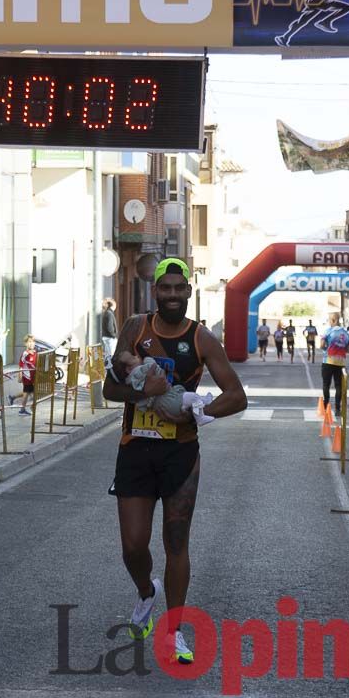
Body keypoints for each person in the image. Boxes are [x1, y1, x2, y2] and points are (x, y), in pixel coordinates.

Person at [102, 258, 247, 665]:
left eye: (177, 289)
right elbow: (109, 390)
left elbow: (237, 396)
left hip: (180, 452)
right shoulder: (135, 328)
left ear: (188, 292)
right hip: (135, 448)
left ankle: (173, 631)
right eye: (164, 288)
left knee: (177, 541)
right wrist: (142, 392)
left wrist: (197, 411)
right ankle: (147, 591)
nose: (170, 295)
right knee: (133, 545)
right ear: (156, 292)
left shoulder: (201, 339)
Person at [319, 321, 349, 416]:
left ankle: (326, 406)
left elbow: (321, 345)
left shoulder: (329, 331)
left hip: (328, 361)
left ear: (333, 321)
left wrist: (326, 349)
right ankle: (337, 408)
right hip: (340, 363)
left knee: (326, 384)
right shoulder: (346, 334)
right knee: (339, 386)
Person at [18, 334, 37, 416]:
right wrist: (20, 376)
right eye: (29, 342)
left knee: (31, 393)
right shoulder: (25, 353)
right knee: (26, 392)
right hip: (27, 377)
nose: (31, 344)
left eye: (32, 342)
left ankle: (28, 407)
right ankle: (22, 409)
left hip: (33, 377)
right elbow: (20, 365)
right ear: (25, 343)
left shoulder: (35, 352)